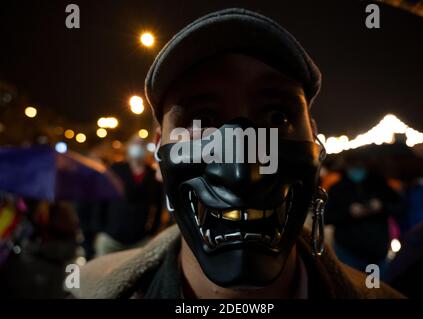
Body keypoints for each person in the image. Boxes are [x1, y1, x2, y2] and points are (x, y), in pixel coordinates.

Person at [72, 8, 403, 299]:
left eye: (277, 117)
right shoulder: (89, 290)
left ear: (315, 144)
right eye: (202, 119)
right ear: (159, 152)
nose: (242, 170)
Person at [325, 159, 404, 275]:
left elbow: (400, 208)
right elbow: (327, 217)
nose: (357, 170)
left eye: (360, 165)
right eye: (353, 166)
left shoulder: (380, 186)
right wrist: (348, 212)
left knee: (373, 288)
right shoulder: (337, 189)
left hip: (376, 254)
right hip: (347, 252)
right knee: (350, 289)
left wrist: (381, 206)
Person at [94, 135, 163, 256]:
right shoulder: (116, 169)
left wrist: (152, 232)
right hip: (111, 238)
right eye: (135, 144)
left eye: (141, 144)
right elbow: (101, 199)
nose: (138, 147)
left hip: (139, 239)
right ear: (128, 147)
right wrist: (100, 228)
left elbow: (158, 205)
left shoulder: (152, 175)